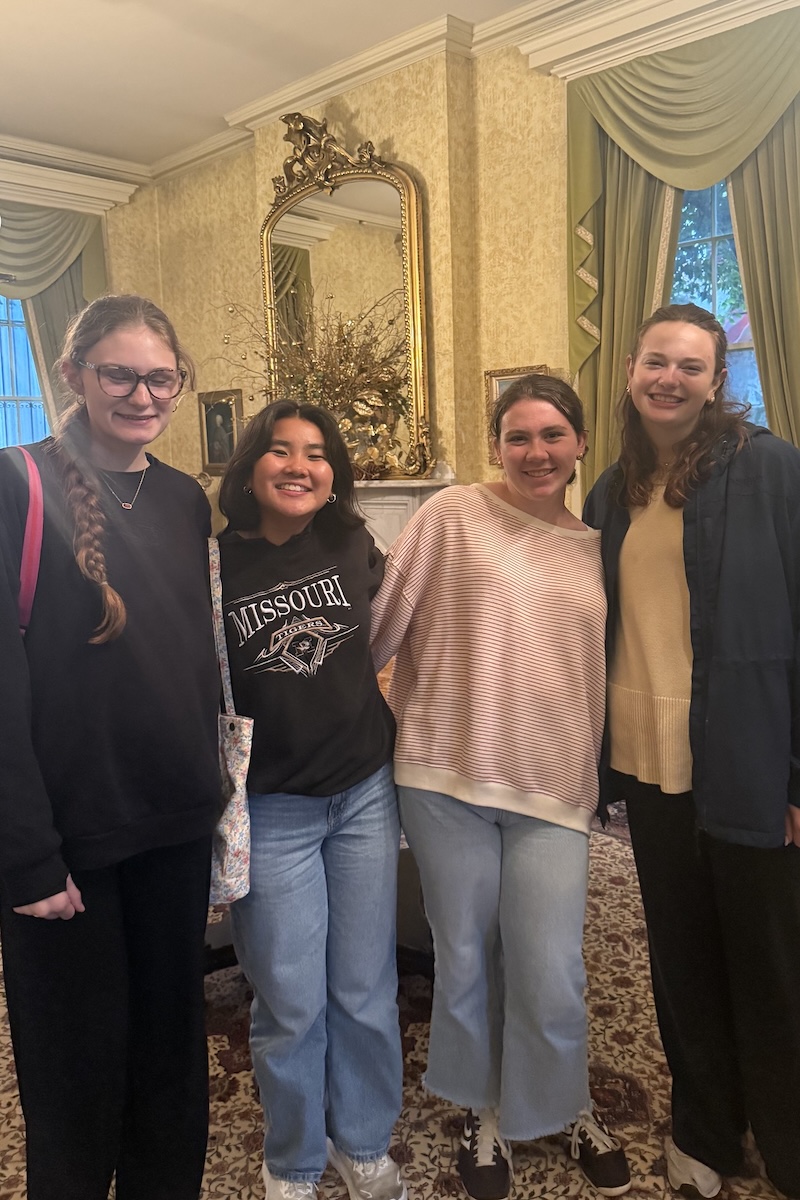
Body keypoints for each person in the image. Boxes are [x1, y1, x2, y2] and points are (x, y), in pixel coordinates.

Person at [370, 375, 632, 1200]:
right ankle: (485, 1111)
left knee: (553, 964)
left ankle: (564, 1103)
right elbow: (382, 622)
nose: (536, 452)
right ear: (495, 445)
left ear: (581, 444)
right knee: (468, 956)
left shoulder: (596, 548)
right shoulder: (451, 514)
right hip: (444, 769)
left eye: (553, 435)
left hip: (553, 783)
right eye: (518, 436)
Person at [0, 295, 223, 1200]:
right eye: (119, 374)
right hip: (68, 849)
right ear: (74, 375)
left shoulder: (180, 498)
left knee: (170, 1058)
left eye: (159, 377)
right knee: (76, 1081)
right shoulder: (16, 486)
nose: (142, 394)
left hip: (173, 829)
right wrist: (26, 858)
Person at [583, 303, 800, 1200]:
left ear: (718, 382)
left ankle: (787, 1143)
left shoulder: (772, 471)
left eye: (692, 367)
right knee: (680, 959)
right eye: (657, 362)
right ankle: (705, 1129)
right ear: (631, 369)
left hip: (750, 758)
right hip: (647, 758)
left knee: (772, 959)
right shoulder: (609, 490)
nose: (670, 379)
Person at [216, 400, 406, 1200]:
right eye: (282, 451)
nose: (300, 466)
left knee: (364, 988)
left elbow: (402, 626)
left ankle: (362, 1140)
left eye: (318, 454)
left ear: (335, 474)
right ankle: (293, 1157)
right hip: (273, 810)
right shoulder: (214, 563)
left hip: (364, 792)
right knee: (290, 1001)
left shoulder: (353, 540)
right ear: (251, 467)